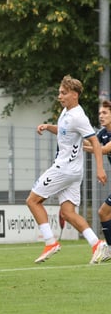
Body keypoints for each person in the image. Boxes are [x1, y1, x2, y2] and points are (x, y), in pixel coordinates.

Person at [27, 75, 107, 265]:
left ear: (74, 94)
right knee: (67, 213)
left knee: (32, 201)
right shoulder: (66, 112)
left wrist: (100, 168)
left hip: (63, 169)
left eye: (63, 93)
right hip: (73, 172)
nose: (59, 96)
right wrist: (48, 127)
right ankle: (97, 244)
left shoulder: (78, 116)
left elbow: (95, 142)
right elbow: (64, 129)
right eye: (59, 93)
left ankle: (50, 242)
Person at [85, 99, 111, 263]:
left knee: (103, 211)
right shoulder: (103, 133)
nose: (101, 116)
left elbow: (103, 150)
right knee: (103, 212)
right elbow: (91, 142)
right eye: (100, 113)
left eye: (105, 113)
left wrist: (83, 147)